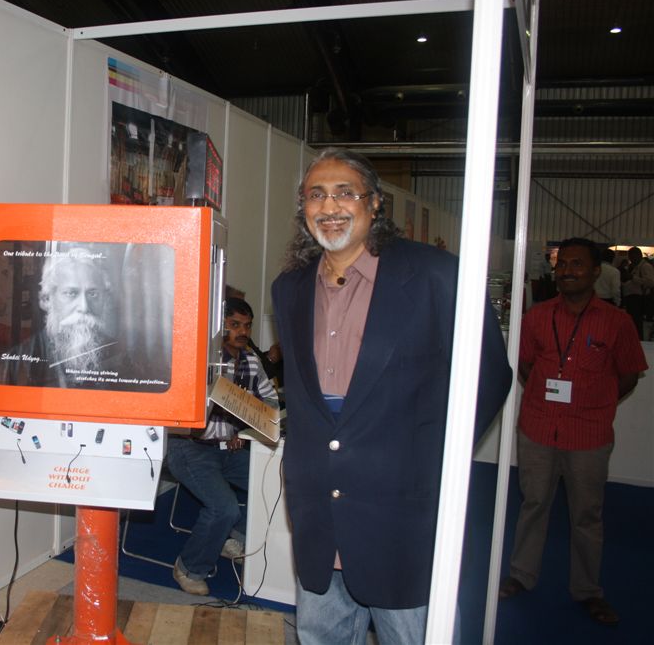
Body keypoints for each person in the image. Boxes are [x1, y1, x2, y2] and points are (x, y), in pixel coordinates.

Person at [271, 147, 512, 644]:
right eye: (316, 195)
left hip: (400, 511)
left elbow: (488, 377)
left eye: (346, 193)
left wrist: (431, 455)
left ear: (375, 203)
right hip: (319, 510)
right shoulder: (289, 288)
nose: (330, 206)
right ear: (302, 208)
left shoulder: (437, 276)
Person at [499, 237, 647, 627]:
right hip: (538, 428)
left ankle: (587, 591)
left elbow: (629, 374)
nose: (567, 271)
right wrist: (548, 395)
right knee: (533, 504)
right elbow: (526, 365)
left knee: (586, 515)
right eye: (562, 264)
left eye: (577, 264)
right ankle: (521, 574)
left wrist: (594, 403)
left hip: (589, 435)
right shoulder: (537, 316)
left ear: (596, 272)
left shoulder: (617, 322)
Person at [166, 297, 279, 596]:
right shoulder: (200, 359)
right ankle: (188, 568)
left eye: (247, 326)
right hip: (190, 448)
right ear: (219, 326)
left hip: (230, 448)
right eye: (234, 325)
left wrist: (243, 426)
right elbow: (181, 407)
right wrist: (231, 414)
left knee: (272, 483)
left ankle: (231, 536)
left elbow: (270, 402)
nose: (243, 332)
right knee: (224, 507)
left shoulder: (251, 361)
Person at [0, 248, 134, 389]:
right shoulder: (8, 368)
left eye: (93, 294)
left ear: (104, 298)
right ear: (46, 300)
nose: (84, 307)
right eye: (71, 293)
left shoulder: (122, 360)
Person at [619, 246, 654, 337]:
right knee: (632, 323)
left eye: (632, 256)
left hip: (639, 299)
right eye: (629, 257)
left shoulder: (645, 266)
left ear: (638, 255)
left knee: (637, 324)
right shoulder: (633, 266)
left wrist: (632, 278)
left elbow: (651, 282)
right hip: (631, 298)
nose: (630, 259)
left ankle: (639, 340)